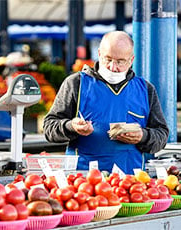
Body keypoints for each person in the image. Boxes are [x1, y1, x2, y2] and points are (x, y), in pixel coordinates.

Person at [43, 31, 169, 174]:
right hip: (82, 180)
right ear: (99, 54)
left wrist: (143, 136)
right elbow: (49, 128)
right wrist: (71, 126)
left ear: (131, 60)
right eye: (107, 59)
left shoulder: (146, 89)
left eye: (120, 61)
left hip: (131, 182)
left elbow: (162, 135)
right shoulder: (76, 83)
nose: (112, 67)